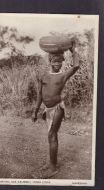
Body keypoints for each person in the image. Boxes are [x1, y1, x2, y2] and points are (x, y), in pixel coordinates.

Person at [32, 41, 79, 178]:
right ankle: (52, 162)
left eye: (60, 62)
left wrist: (73, 49)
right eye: (55, 61)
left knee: (52, 135)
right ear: (50, 62)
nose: (57, 64)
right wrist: (35, 110)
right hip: (47, 109)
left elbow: (76, 65)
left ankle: (53, 167)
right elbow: (40, 94)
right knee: (51, 135)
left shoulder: (63, 76)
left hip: (58, 108)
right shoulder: (44, 77)